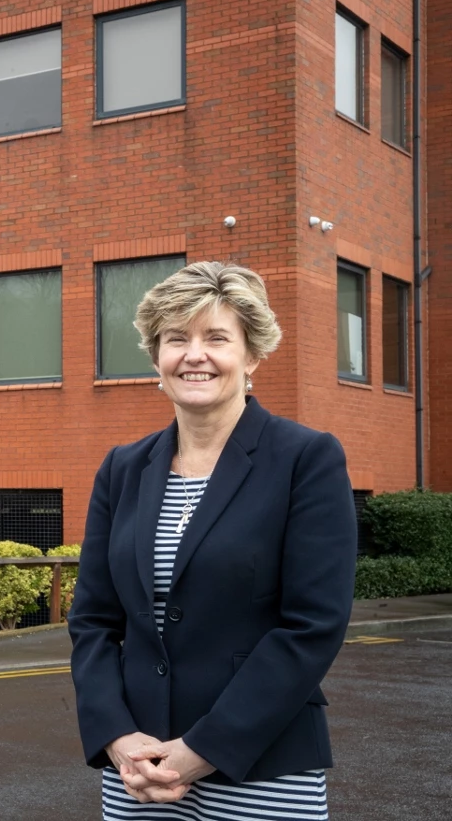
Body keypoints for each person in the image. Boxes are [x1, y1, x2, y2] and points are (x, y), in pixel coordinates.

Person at [68, 261, 356, 818]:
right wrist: (117, 738)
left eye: (217, 338)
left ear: (251, 356)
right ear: (157, 358)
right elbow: (94, 621)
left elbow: (312, 626)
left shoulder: (306, 459)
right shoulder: (122, 468)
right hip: (139, 769)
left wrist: (200, 751)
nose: (194, 355)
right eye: (176, 339)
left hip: (262, 765)